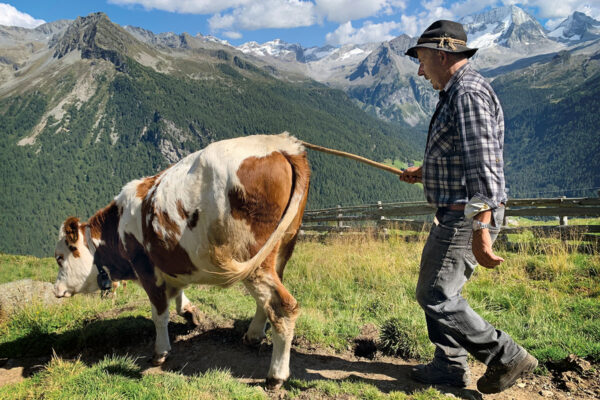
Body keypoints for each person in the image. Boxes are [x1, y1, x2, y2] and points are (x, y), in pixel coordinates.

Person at [399, 20, 538, 394]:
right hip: (456, 212)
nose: (419, 68)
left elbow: (484, 166)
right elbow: (459, 152)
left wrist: (481, 227)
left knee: (435, 294)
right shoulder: (457, 91)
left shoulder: (468, 94)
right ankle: (449, 365)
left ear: (442, 55)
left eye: (423, 58)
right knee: (435, 287)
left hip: (466, 215)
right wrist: (425, 171)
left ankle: (506, 355)